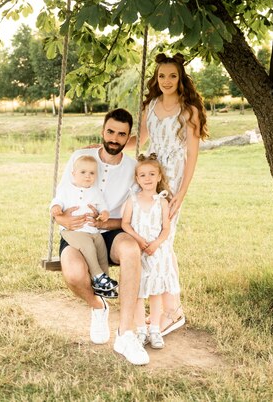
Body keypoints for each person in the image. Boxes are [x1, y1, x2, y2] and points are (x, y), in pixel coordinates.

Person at [54, 108, 150, 366]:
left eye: (122, 134)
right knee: (74, 274)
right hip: (78, 230)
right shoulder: (80, 157)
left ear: (129, 137)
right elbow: (61, 195)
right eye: (110, 131)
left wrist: (109, 222)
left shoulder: (132, 168)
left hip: (111, 231)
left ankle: (125, 335)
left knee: (130, 250)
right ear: (102, 130)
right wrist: (61, 218)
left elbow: (132, 214)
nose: (114, 138)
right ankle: (98, 306)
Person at [127, 52, 208, 335]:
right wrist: (105, 148)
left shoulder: (189, 111)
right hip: (149, 179)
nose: (167, 81)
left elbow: (192, 156)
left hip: (171, 182)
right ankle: (166, 309)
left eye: (172, 75)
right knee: (150, 240)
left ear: (181, 78)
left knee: (163, 241)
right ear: (156, 78)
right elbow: (139, 141)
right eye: (162, 76)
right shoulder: (150, 106)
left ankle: (171, 313)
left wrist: (180, 194)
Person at [121, 153, 180, 350]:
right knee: (138, 291)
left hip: (156, 252)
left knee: (155, 291)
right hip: (139, 251)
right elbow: (126, 224)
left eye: (151, 174)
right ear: (137, 178)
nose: (147, 179)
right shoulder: (133, 200)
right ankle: (140, 330)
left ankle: (154, 328)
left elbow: (166, 229)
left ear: (159, 177)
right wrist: (139, 240)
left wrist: (155, 244)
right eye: (142, 175)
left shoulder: (162, 202)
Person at [50, 154, 118, 298]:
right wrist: (56, 208)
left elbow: (102, 206)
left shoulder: (95, 191)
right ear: (73, 174)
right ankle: (97, 275)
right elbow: (57, 202)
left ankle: (103, 284)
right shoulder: (66, 189)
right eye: (83, 172)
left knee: (101, 249)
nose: (88, 176)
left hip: (92, 230)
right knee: (88, 246)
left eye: (92, 173)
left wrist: (104, 213)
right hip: (73, 231)